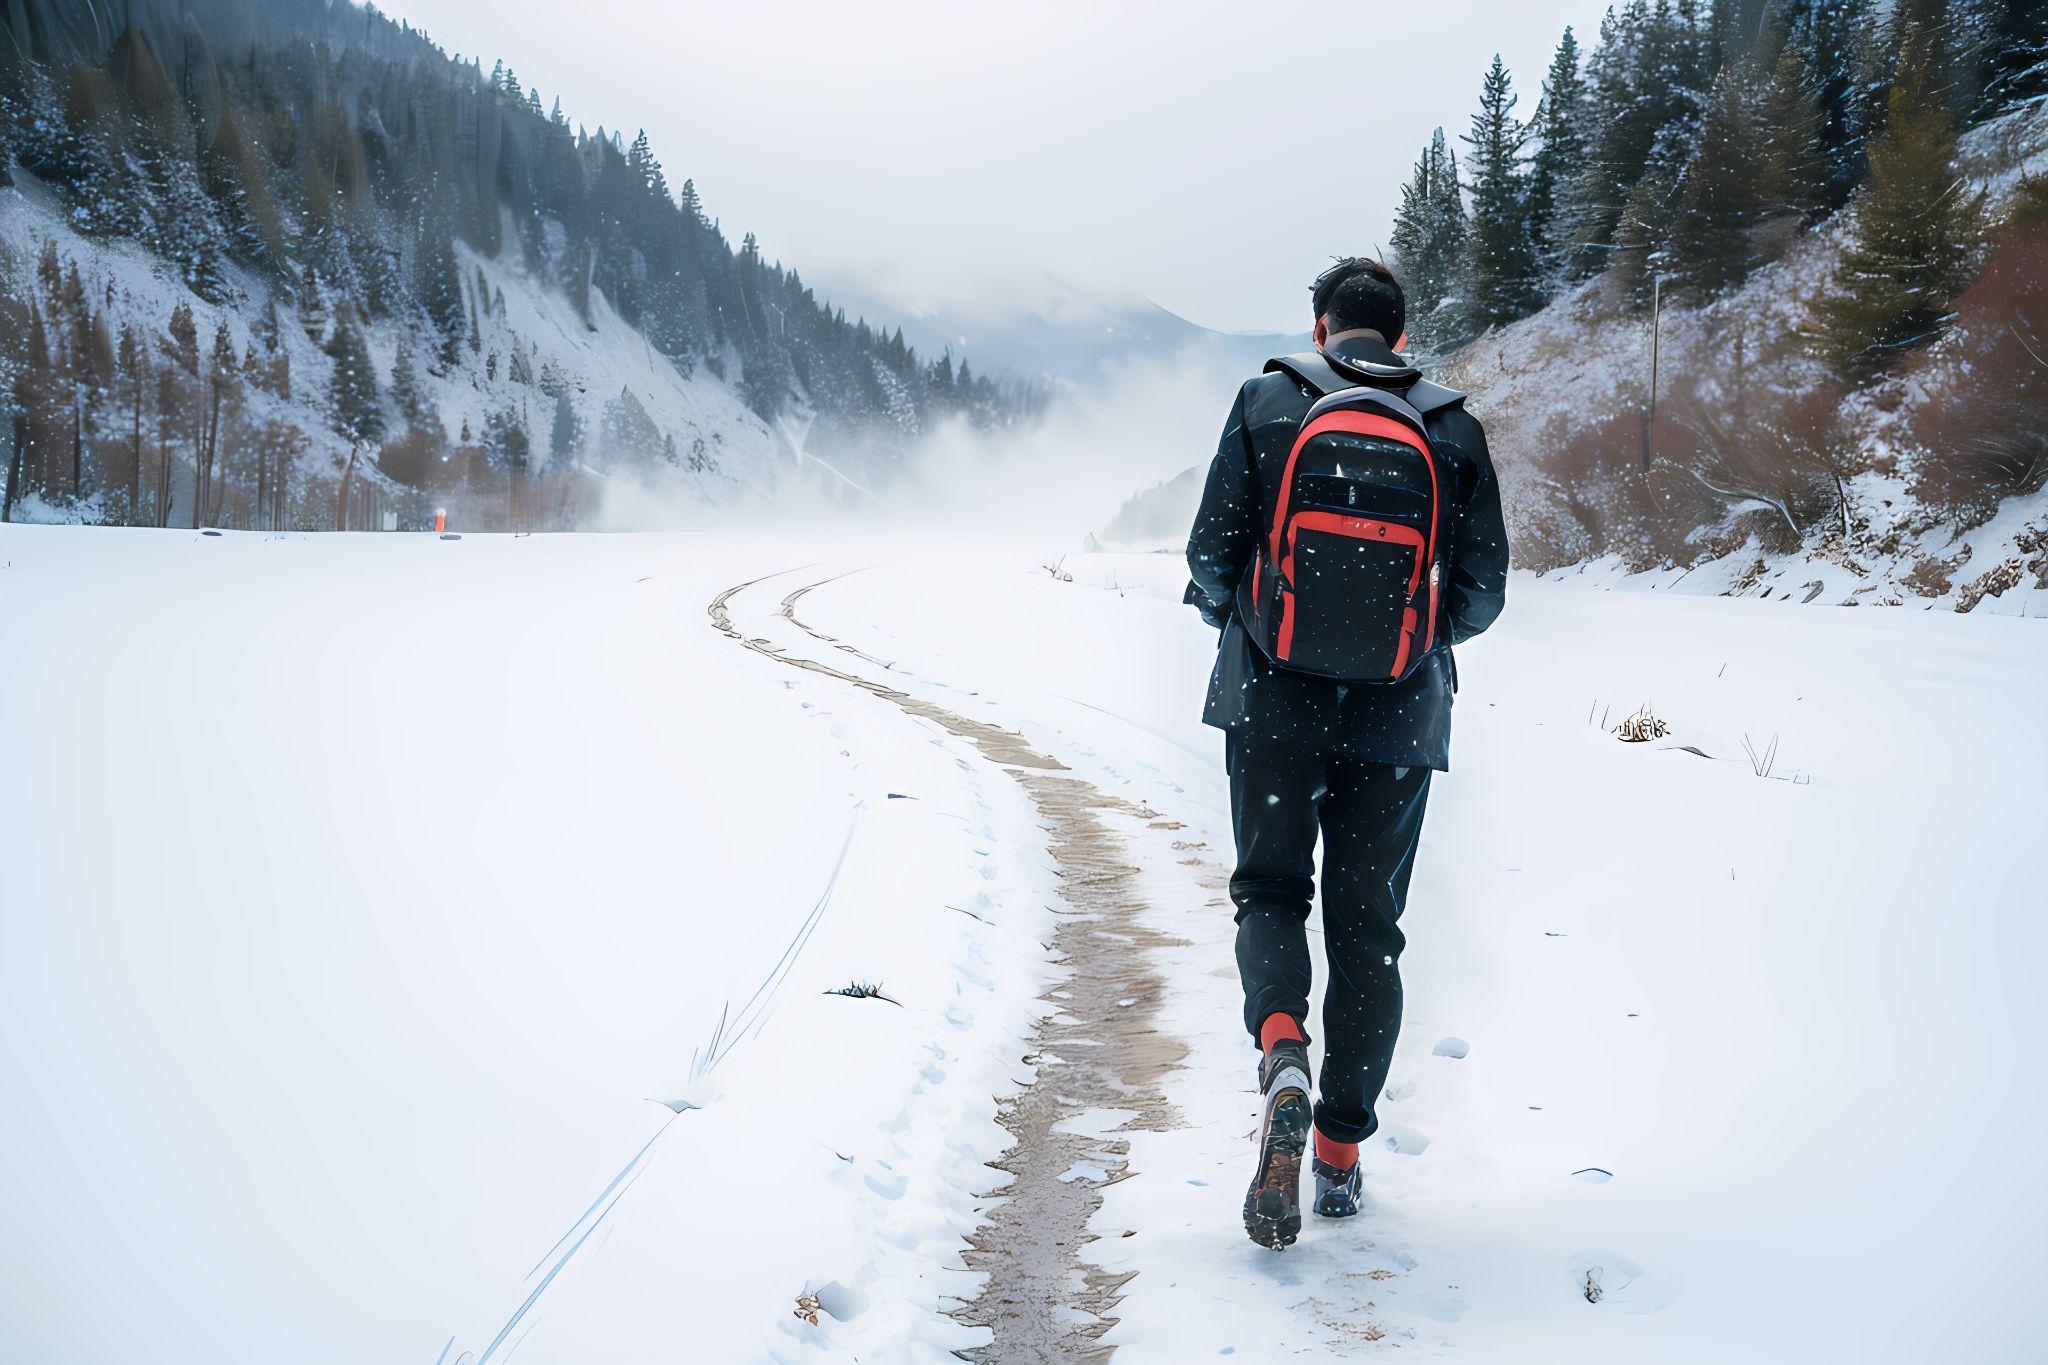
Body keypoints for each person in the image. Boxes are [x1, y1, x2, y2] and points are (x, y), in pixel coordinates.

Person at [1184, 257, 1508, 1249]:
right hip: (1398, 719)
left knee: (1271, 893)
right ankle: (1334, 1153)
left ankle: (1281, 1052)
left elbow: (1209, 552)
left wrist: (1242, 620)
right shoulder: (1449, 427)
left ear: (1320, 326)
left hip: (1270, 700)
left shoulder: (1268, 401)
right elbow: (1483, 593)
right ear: (1399, 337)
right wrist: (1411, 643)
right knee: (1366, 930)